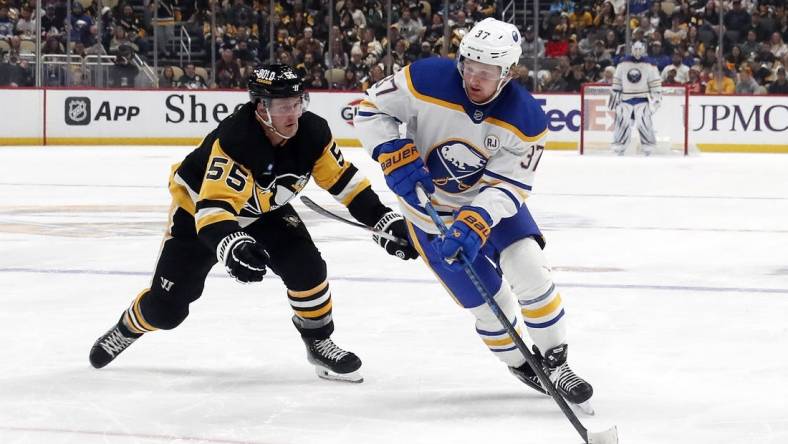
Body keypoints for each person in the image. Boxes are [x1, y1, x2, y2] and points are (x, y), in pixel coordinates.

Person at [89, 64, 417, 383]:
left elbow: (345, 183)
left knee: (306, 267)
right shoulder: (237, 140)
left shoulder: (313, 132)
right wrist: (232, 245)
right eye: (283, 107)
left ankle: (318, 342)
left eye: (297, 102)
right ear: (261, 108)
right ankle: (129, 327)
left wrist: (383, 220)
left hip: (263, 210)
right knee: (166, 312)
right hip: (198, 213)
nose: (293, 114)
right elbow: (213, 211)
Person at [353, 17, 594, 410]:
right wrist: (390, 151)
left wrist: (476, 219)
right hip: (427, 214)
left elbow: (509, 185)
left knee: (529, 269)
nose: (474, 79)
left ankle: (557, 361)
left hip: (491, 206)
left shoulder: (526, 117)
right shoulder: (424, 78)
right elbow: (369, 111)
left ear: (508, 72)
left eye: (487, 72)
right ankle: (521, 362)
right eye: (468, 67)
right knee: (489, 304)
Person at [609, 41, 662, 156]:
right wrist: (615, 93)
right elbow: (617, 81)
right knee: (622, 121)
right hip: (625, 98)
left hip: (642, 98)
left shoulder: (650, 64)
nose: (637, 51)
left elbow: (655, 83)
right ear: (632, 49)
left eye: (640, 49)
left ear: (644, 49)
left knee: (644, 122)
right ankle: (619, 146)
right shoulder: (623, 63)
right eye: (635, 49)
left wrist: (656, 97)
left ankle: (648, 146)